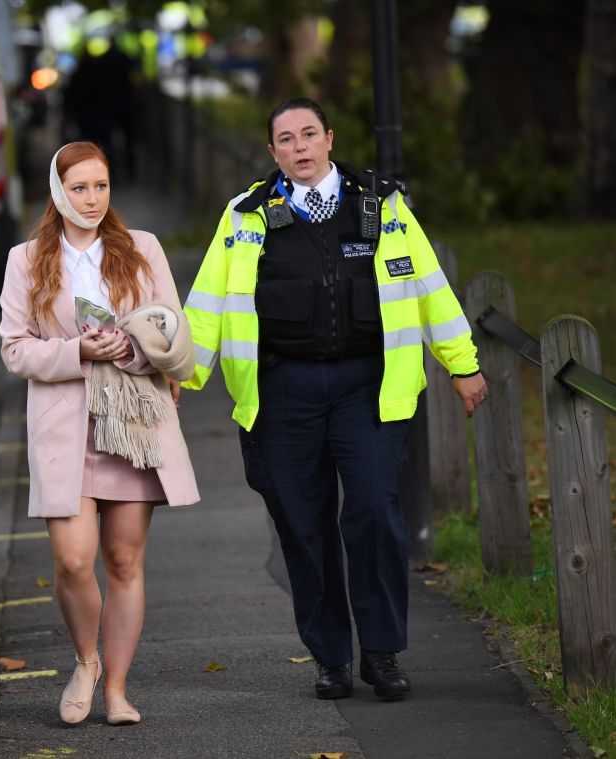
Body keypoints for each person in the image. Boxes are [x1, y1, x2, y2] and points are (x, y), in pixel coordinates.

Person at [182, 98, 487, 701]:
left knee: (374, 511)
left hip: (366, 387)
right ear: (273, 152)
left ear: (329, 139)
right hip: (282, 390)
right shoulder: (245, 215)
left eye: (309, 134)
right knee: (303, 525)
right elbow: (208, 301)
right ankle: (331, 657)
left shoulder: (383, 205)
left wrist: (463, 363)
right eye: (285, 139)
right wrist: (182, 372)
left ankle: (381, 652)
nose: (299, 147)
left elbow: (430, 286)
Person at [0, 141, 199, 725]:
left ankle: (115, 689)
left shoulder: (142, 249)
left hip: (135, 422)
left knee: (124, 560)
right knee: (72, 559)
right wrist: (75, 349)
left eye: (101, 187)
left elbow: (172, 330)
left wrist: (134, 351)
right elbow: (14, 350)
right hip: (67, 424)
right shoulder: (26, 259)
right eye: (80, 188)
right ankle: (84, 660)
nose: (92, 199)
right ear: (59, 192)